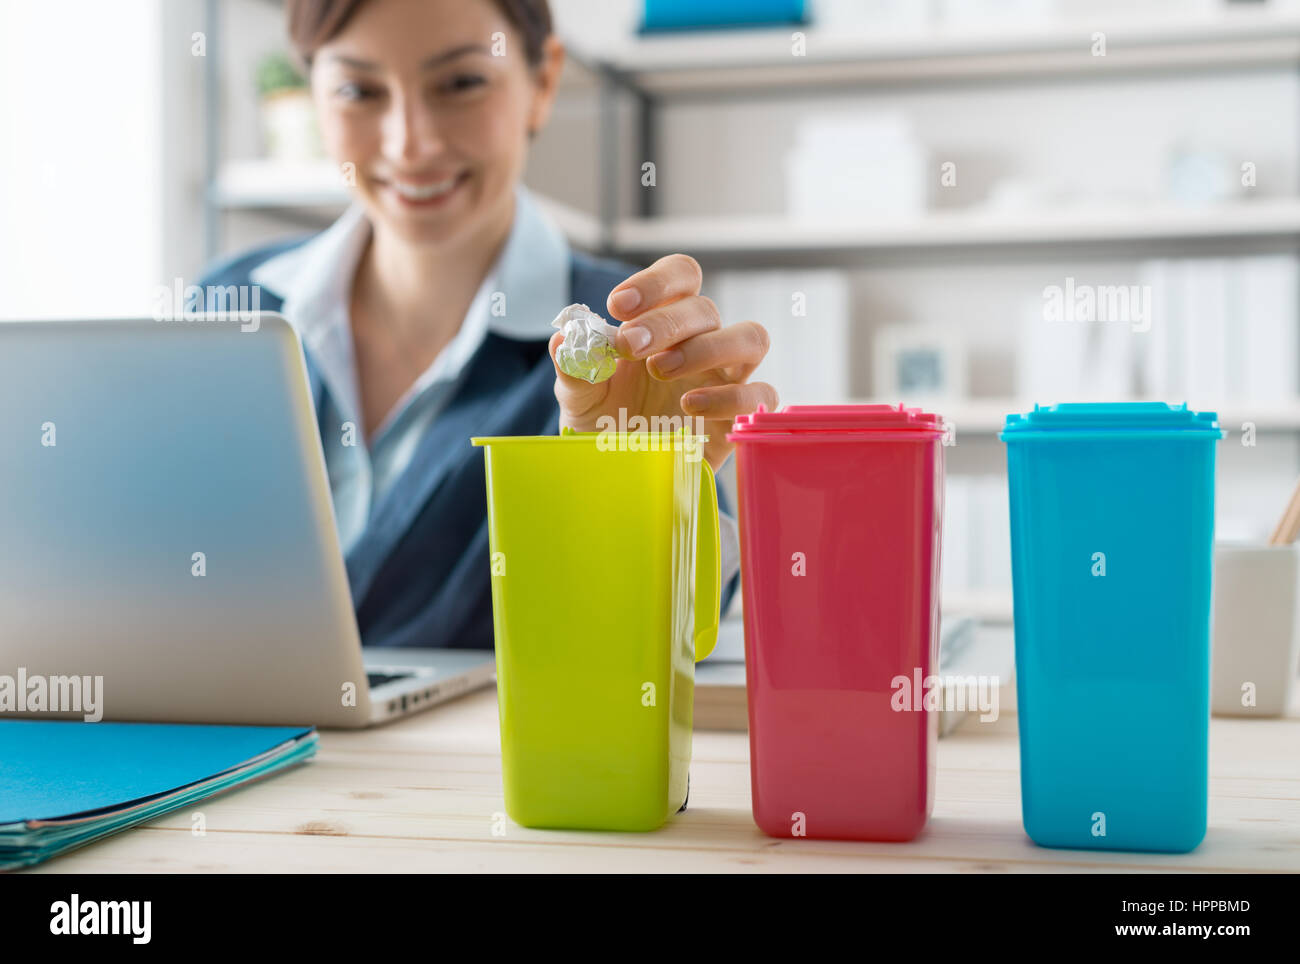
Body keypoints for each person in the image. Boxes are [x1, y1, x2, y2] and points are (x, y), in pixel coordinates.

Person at [198, 0, 777, 649]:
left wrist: (648, 489)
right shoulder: (225, 310)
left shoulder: (623, 344)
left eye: (461, 83)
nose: (409, 143)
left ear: (544, 82)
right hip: (224, 753)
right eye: (360, 90)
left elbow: (671, 630)